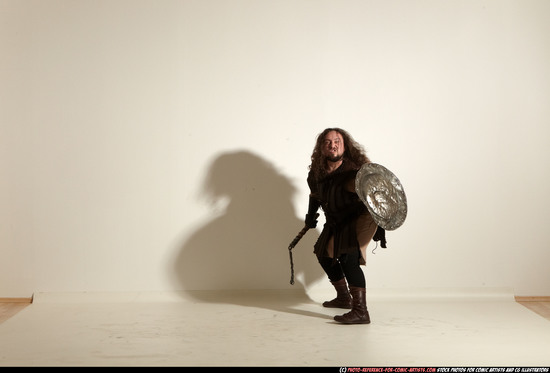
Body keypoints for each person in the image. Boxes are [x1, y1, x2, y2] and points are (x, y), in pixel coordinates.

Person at [305, 128, 381, 324]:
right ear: (322, 148)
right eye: (328, 142)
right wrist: (310, 216)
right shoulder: (316, 174)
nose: (333, 145)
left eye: (337, 141)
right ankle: (344, 298)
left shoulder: (356, 172)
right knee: (323, 254)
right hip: (334, 220)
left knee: (348, 259)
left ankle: (361, 311)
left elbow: (375, 196)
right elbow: (315, 195)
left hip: (355, 219)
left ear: (345, 146)